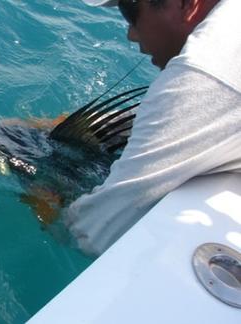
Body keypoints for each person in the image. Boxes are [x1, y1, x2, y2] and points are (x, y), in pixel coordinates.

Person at [65, 0, 241, 255]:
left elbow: (95, 230)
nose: (130, 33)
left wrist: (46, 211)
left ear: (186, 4)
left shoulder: (205, 68)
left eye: (130, 11)